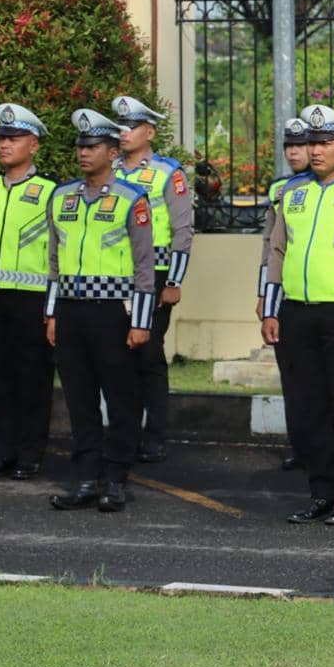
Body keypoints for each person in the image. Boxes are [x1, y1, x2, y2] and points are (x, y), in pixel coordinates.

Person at [262, 104, 334, 525]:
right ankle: (320, 490)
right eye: (311, 141)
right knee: (305, 408)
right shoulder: (291, 192)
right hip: (296, 312)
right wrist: (270, 305)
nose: (315, 150)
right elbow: (276, 252)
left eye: (325, 141)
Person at [46, 108, 156, 513]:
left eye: (92, 147)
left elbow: (145, 266)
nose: (83, 153)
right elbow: (53, 263)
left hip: (114, 314)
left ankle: (115, 479)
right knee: (79, 400)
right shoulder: (61, 197)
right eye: (80, 146)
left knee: (121, 399)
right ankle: (87, 478)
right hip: (72, 312)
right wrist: (52, 314)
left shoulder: (132, 200)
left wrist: (141, 322)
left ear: (112, 152)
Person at [0, 104, 57, 482]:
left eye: (14, 138)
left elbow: (56, 256)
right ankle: (1, 451)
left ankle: (30, 452)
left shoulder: (50, 190)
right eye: (1, 138)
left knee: (32, 378)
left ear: (33, 145)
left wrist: (52, 309)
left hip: (31, 299)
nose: (4, 145)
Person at [111, 95, 194, 464]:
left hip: (156, 276)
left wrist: (173, 281)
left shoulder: (168, 172)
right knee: (117, 356)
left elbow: (182, 229)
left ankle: (155, 433)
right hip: (114, 277)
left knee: (148, 354)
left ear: (150, 131)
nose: (123, 133)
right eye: (120, 126)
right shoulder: (109, 169)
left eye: (131, 127)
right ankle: (123, 431)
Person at [257, 117, 310, 472]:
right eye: (288, 146)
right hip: (285, 296)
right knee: (293, 378)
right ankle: (301, 445)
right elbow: (270, 249)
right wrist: (264, 294)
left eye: (300, 145)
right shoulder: (281, 190)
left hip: (328, 302)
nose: (294, 152)